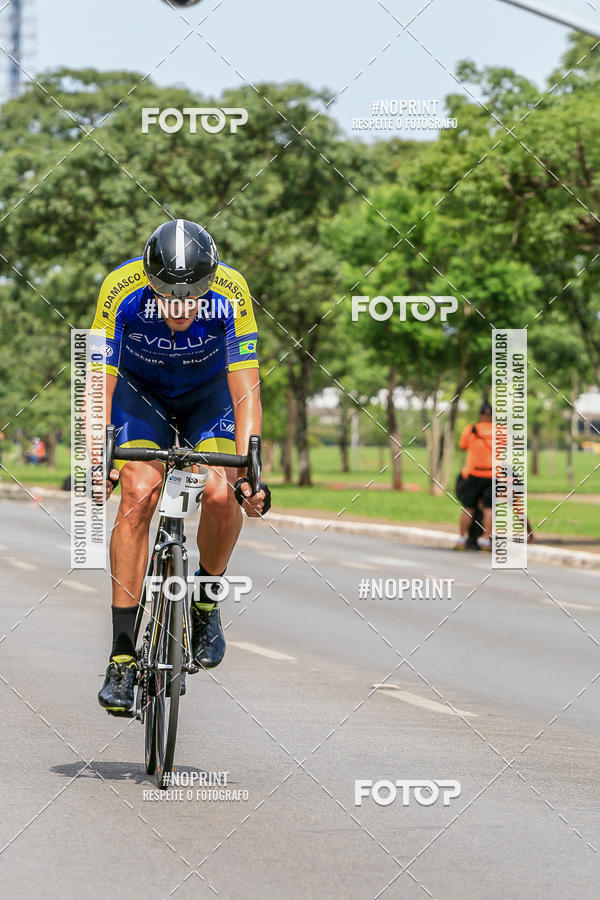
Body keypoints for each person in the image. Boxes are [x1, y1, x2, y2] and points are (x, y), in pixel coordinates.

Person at [92, 220, 270, 715]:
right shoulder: (119, 289)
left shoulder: (232, 291)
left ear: (208, 284)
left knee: (219, 494)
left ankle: (205, 604)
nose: (180, 307)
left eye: (191, 298)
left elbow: (246, 383)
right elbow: (99, 381)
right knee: (138, 494)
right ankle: (123, 656)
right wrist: (96, 454)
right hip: (139, 396)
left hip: (207, 398)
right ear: (151, 282)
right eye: (169, 297)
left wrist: (252, 461)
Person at [455, 402, 493, 551]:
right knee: (489, 508)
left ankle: (461, 538)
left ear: (480, 415)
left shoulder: (471, 430)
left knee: (468, 507)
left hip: (474, 474)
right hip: (492, 475)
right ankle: (485, 539)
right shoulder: (500, 431)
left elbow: (462, 446)